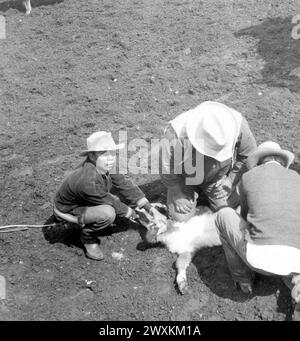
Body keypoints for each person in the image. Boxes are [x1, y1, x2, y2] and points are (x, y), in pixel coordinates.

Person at [215, 141, 300, 320]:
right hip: (297, 257)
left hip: (260, 260)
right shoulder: (296, 177)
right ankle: (296, 280)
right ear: (281, 160)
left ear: (259, 161)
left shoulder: (249, 177)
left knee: (223, 215)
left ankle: (243, 279)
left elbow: (245, 218)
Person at [53, 131, 166, 261]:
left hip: (88, 200)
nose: (110, 158)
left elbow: (125, 185)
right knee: (108, 213)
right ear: (92, 156)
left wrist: (151, 209)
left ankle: (134, 214)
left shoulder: (106, 166)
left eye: (112, 153)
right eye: (104, 154)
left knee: (121, 195)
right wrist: (136, 214)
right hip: (68, 210)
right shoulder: (87, 180)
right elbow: (110, 202)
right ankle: (87, 237)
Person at [160, 101, 257, 222]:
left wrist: (231, 180)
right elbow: (166, 166)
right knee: (180, 218)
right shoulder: (176, 132)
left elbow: (248, 155)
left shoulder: (238, 126)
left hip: (217, 178)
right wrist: (177, 192)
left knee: (230, 210)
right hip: (185, 179)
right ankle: (189, 194)